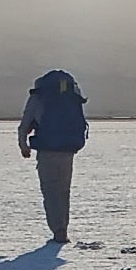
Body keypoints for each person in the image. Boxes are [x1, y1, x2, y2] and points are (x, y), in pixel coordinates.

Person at [17, 69, 89, 243]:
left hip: (47, 150)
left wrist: (23, 145)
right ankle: (63, 228)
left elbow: (25, 124)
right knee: (63, 191)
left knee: (50, 191)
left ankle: (58, 230)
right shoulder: (71, 96)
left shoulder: (39, 97)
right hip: (68, 150)